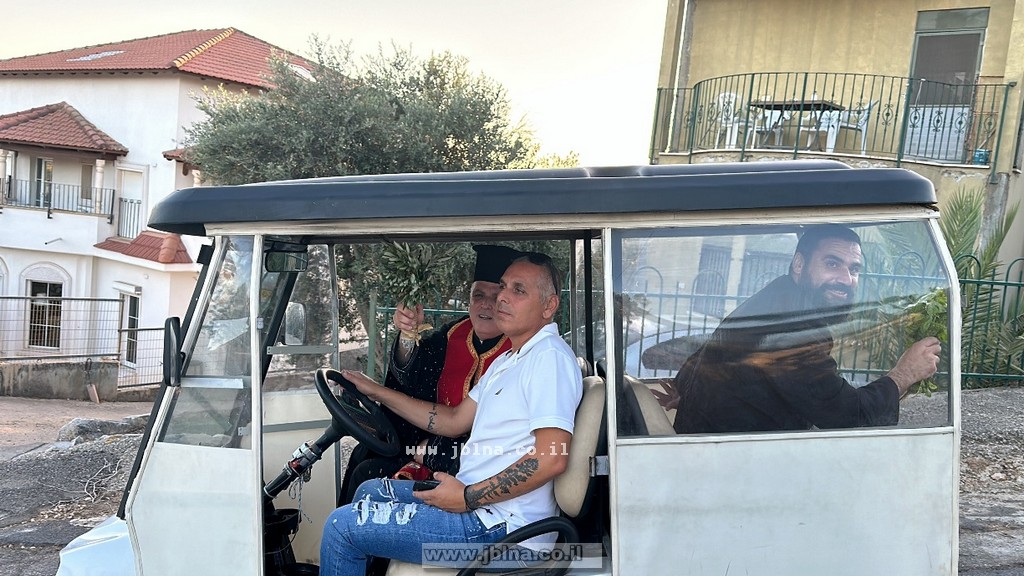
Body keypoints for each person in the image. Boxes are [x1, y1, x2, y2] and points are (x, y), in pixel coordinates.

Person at [320, 252, 583, 576]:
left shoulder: (549, 358)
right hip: (483, 514)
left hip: (506, 535)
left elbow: (551, 457)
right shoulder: (510, 361)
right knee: (368, 491)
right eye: (503, 286)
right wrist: (376, 391)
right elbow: (453, 420)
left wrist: (468, 498)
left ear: (549, 305)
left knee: (341, 528)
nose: (501, 297)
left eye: (518, 290)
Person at [672, 224, 942, 434]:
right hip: (735, 466)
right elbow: (846, 416)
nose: (845, 279)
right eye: (832, 264)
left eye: (854, 269)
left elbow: (710, 355)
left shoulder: (777, 298)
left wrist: (688, 389)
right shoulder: (792, 329)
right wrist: (904, 375)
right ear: (799, 264)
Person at [339, 245, 521, 505]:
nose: (486, 305)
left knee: (368, 475)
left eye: (496, 297)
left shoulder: (518, 349)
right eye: (478, 295)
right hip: (427, 443)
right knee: (363, 456)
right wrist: (407, 333)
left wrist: (434, 451)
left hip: (477, 460)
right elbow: (412, 378)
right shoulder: (453, 334)